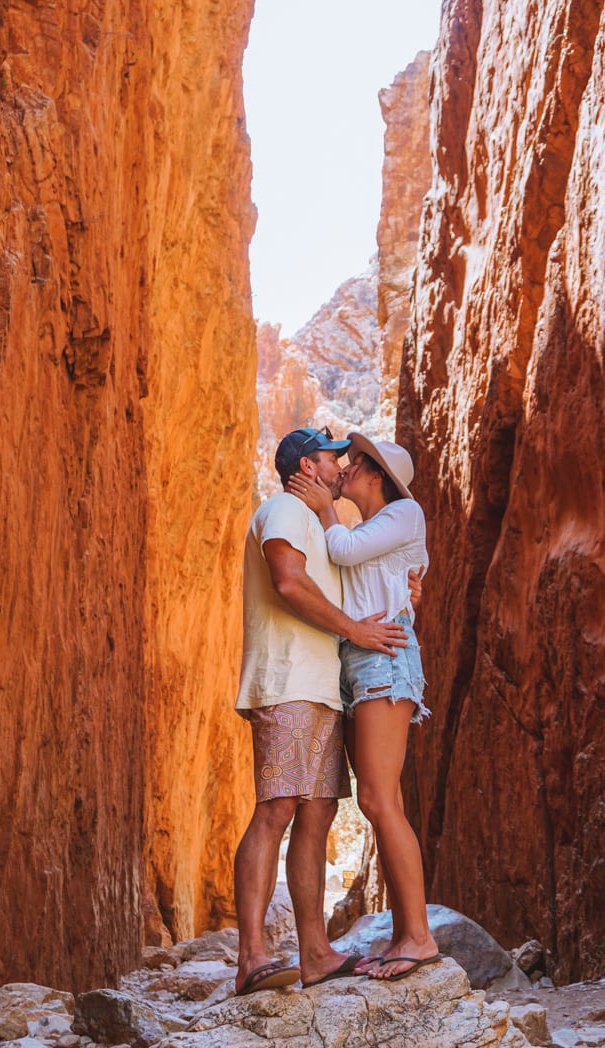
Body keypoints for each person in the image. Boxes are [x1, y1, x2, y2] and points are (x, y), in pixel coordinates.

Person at [233, 426, 411, 995]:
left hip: (323, 689)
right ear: (309, 466)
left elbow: (356, 583)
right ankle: (252, 957)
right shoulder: (284, 509)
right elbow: (288, 583)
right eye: (336, 459)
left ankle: (315, 954)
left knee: (317, 816)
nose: (343, 467)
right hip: (287, 682)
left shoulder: (319, 524)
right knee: (277, 807)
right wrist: (357, 630)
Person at [288, 432, 440, 982]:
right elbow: (352, 582)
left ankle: (420, 938)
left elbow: (345, 553)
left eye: (355, 462)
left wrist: (325, 507)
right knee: (383, 799)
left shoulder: (404, 512)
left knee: (378, 799)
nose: (346, 467)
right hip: (358, 662)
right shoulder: (367, 532)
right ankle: (405, 934)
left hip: (384, 662)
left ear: (377, 475)